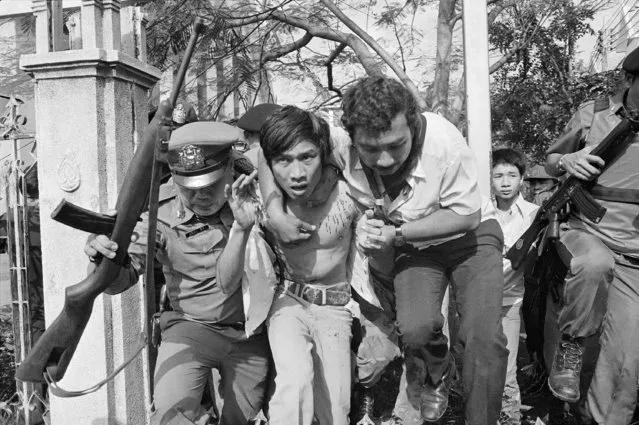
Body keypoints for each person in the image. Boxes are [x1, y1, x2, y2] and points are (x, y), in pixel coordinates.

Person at [260, 76, 508, 425]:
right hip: (413, 244)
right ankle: (438, 367)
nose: (386, 159)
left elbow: (467, 216)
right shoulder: (338, 140)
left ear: (413, 122)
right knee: (415, 329)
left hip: (470, 237)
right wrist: (274, 211)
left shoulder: (443, 141)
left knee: (483, 337)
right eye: (371, 149)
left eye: (396, 144)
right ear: (351, 135)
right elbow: (269, 146)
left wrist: (398, 233)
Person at [84, 120, 270, 425]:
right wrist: (103, 260)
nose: (201, 197)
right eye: (190, 189)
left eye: (211, 186)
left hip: (251, 334)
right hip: (191, 328)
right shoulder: (161, 210)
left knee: (243, 419)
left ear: (229, 168)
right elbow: (121, 280)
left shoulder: (261, 192)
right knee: (169, 415)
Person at [227, 105, 379, 425]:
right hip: (287, 300)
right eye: (284, 161)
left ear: (322, 155)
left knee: (336, 411)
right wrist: (272, 215)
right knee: (293, 386)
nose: (297, 173)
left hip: (336, 305)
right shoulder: (256, 193)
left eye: (307, 158)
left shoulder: (352, 187)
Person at [544, 46, 639, 425]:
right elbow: (550, 161)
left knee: (626, 368)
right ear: (630, 81)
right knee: (594, 264)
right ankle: (569, 347)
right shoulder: (594, 114)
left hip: (634, 257)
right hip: (587, 231)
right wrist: (569, 160)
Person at [491, 148, 539, 425]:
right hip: (479, 301)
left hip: (511, 300)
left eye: (512, 175)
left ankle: (509, 418)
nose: (505, 182)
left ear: (522, 179)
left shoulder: (535, 215)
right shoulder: (480, 211)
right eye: (498, 175)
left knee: (507, 369)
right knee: (480, 364)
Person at [237, 103, 282, 167]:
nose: (247, 144)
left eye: (246, 136)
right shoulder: (293, 156)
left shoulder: (248, 159)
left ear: (248, 135)